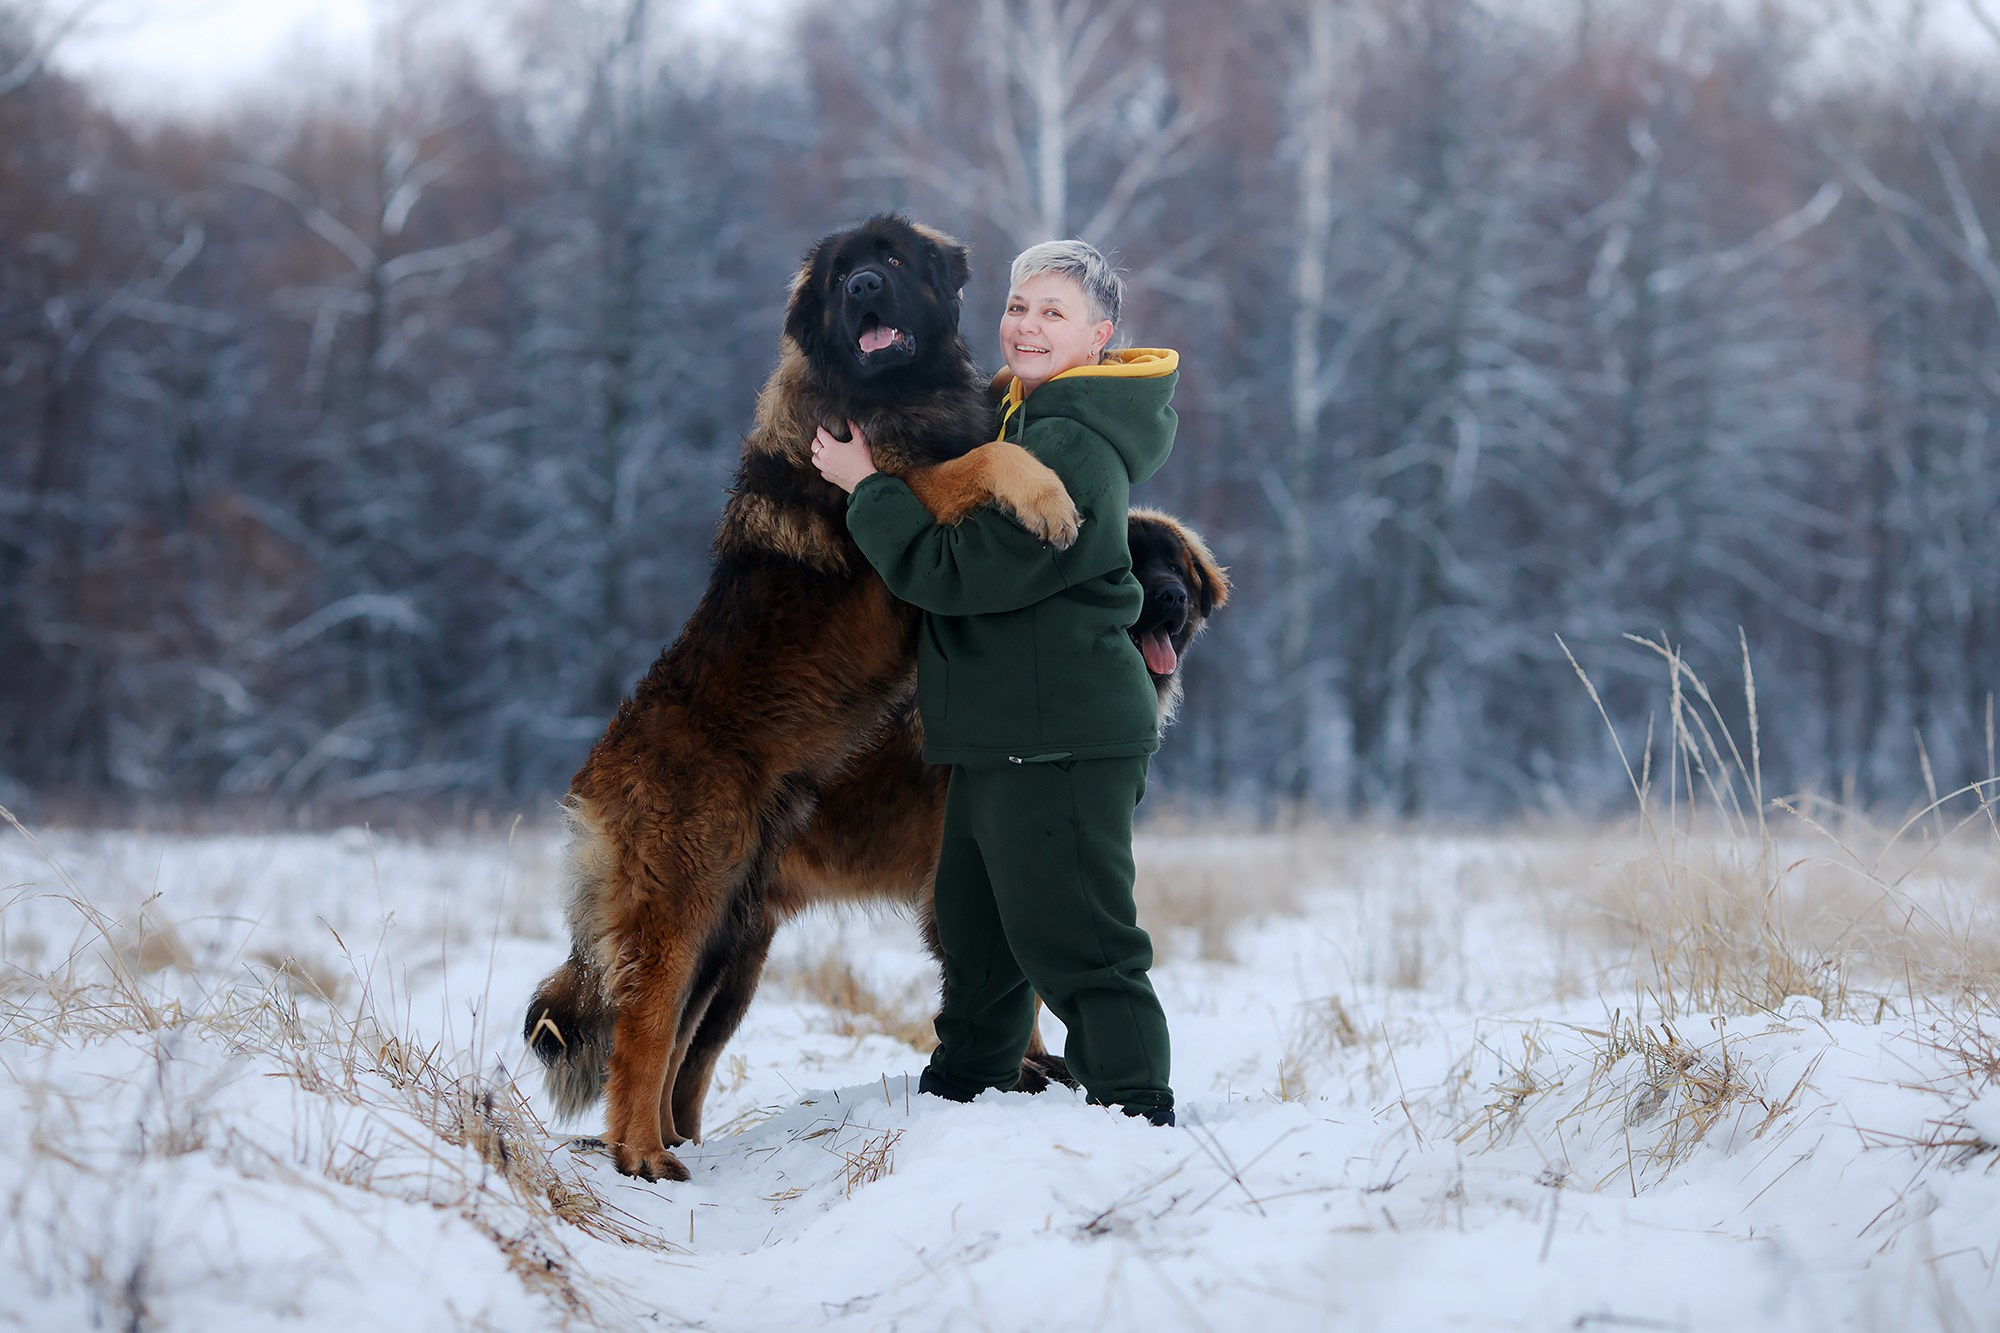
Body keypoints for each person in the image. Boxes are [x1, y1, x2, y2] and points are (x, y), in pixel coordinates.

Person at [810, 239, 1178, 1126]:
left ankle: (1135, 1110)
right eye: (1018, 306)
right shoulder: (1018, 422)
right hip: (998, 731)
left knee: (1079, 937)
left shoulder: (1072, 445)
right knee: (977, 936)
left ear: (1100, 334)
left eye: (1054, 312)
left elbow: (958, 572)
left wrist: (866, 488)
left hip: (1062, 733)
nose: (1028, 325)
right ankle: (967, 1092)